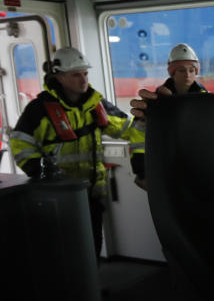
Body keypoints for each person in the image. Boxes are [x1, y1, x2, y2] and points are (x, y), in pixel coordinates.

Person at [9, 47, 145, 252]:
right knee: (64, 248)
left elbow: (128, 129)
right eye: (76, 75)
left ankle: (92, 284)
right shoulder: (39, 109)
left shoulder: (96, 105)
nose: (83, 80)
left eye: (85, 74)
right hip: (58, 195)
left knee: (92, 243)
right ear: (60, 77)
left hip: (91, 191)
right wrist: (39, 171)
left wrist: (148, 124)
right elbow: (21, 143)